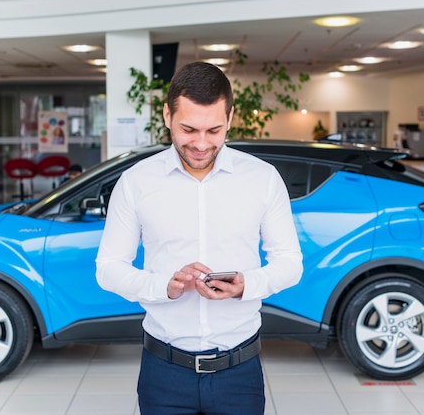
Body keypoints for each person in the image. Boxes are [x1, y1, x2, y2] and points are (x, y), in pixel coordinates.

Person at [95, 62, 303, 414]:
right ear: (167, 115)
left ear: (230, 118)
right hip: (164, 373)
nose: (202, 144)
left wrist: (245, 285)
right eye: (189, 129)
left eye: (214, 130)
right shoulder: (136, 182)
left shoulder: (263, 179)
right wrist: (165, 286)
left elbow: (290, 263)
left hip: (240, 372)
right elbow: (108, 268)